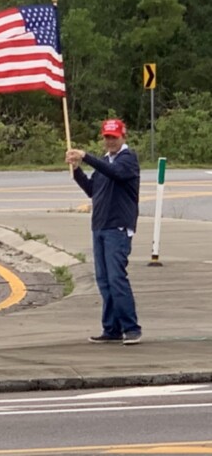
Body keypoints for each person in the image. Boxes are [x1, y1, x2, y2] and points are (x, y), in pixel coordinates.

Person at [66, 118, 142, 345]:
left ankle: (131, 327)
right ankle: (112, 328)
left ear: (122, 136)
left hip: (117, 227)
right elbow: (92, 190)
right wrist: (77, 170)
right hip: (99, 225)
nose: (110, 141)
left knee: (117, 278)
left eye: (114, 137)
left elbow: (116, 173)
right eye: (107, 137)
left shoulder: (128, 159)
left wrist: (86, 156)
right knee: (104, 279)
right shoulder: (105, 163)